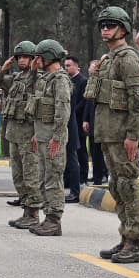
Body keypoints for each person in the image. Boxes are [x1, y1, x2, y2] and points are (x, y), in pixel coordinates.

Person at [85, 6, 139, 263]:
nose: (105, 29)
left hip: (123, 135)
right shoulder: (108, 58)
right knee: (117, 186)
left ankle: (134, 241)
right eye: (103, 25)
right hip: (108, 133)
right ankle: (125, 236)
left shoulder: (127, 58)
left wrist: (133, 135)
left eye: (110, 25)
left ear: (122, 29)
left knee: (128, 186)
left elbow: (138, 97)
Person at [27, 39, 73, 235]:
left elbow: (62, 111)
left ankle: (54, 220)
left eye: (39, 56)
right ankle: (48, 217)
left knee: (53, 178)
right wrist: (38, 135)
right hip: (43, 136)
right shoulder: (46, 78)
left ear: (48, 57)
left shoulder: (60, 80)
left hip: (54, 138)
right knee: (44, 178)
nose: (36, 60)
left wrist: (57, 137)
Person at [0, 41, 39, 223]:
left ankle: (33, 212)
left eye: (26, 57)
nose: (22, 60)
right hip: (14, 133)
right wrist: (3, 68)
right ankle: (26, 211)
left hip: (29, 133)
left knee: (31, 175)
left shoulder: (38, 78)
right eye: (19, 57)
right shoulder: (16, 78)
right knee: (17, 175)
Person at [64, 56, 87, 202]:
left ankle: (77, 187)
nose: (66, 68)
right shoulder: (66, 81)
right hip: (69, 120)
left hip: (76, 121)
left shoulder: (82, 81)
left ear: (76, 66)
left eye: (68, 65)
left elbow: (83, 101)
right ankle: (68, 183)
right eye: (64, 66)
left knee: (77, 154)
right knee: (69, 156)